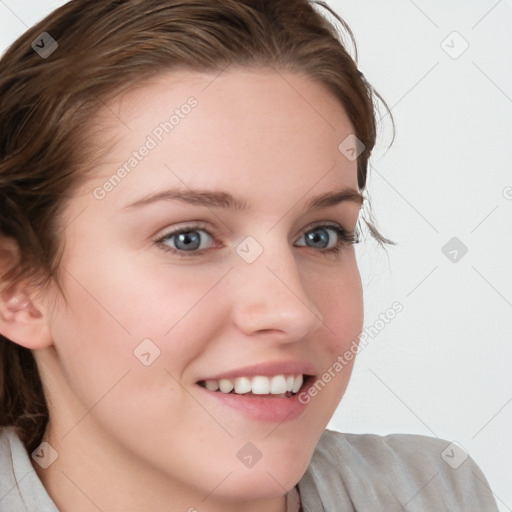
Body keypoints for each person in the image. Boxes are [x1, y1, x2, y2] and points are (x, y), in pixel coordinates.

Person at [0, 1, 499, 511]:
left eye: (321, 235)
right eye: (188, 238)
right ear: (17, 290)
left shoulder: (435, 493)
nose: (292, 311)